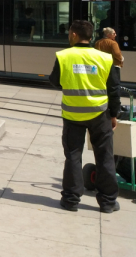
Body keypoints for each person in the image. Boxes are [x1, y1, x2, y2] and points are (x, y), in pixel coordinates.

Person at [48, 20, 121, 213]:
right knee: (105, 156)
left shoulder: (64, 56)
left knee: (73, 155)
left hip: (73, 114)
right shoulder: (104, 58)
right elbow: (114, 89)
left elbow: (54, 81)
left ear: (73, 35)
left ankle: (71, 200)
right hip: (100, 115)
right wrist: (114, 114)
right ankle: (108, 202)